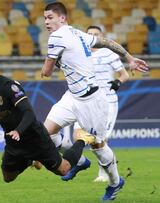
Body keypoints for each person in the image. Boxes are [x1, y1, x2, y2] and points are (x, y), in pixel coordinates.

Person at [41, 2, 148, 201]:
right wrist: (130, 58)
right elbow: (107, 42)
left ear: (62, 18)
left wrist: (55, 64)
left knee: (97, 146)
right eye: (45, 18)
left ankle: (116, 183)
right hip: (72, 96)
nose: (46, 22)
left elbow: (46, 72)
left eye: (50, 17)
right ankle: (80, 162)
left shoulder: (56, 37)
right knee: (46, 133)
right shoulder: (78, 34)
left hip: (92, 100)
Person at [0, 57, 95, 184]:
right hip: (15, 143)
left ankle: (82, 140)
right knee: (8, 177)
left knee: (63, 170)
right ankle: (30, 160)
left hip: (36, 139)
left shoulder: (9, 87)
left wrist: (18, 130)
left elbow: (29, 113)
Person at [72, 25, 129, 183]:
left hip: (107, 102)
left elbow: (124, 74)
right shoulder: (80, 53)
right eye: (89, 34)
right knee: (77, 134)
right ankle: (80, 162)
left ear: (101, 37)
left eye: (95, 34)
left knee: (101, 139)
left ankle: (105, 173)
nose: (92, 36)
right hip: (87, 101)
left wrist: (117, 82)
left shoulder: (108, 53)